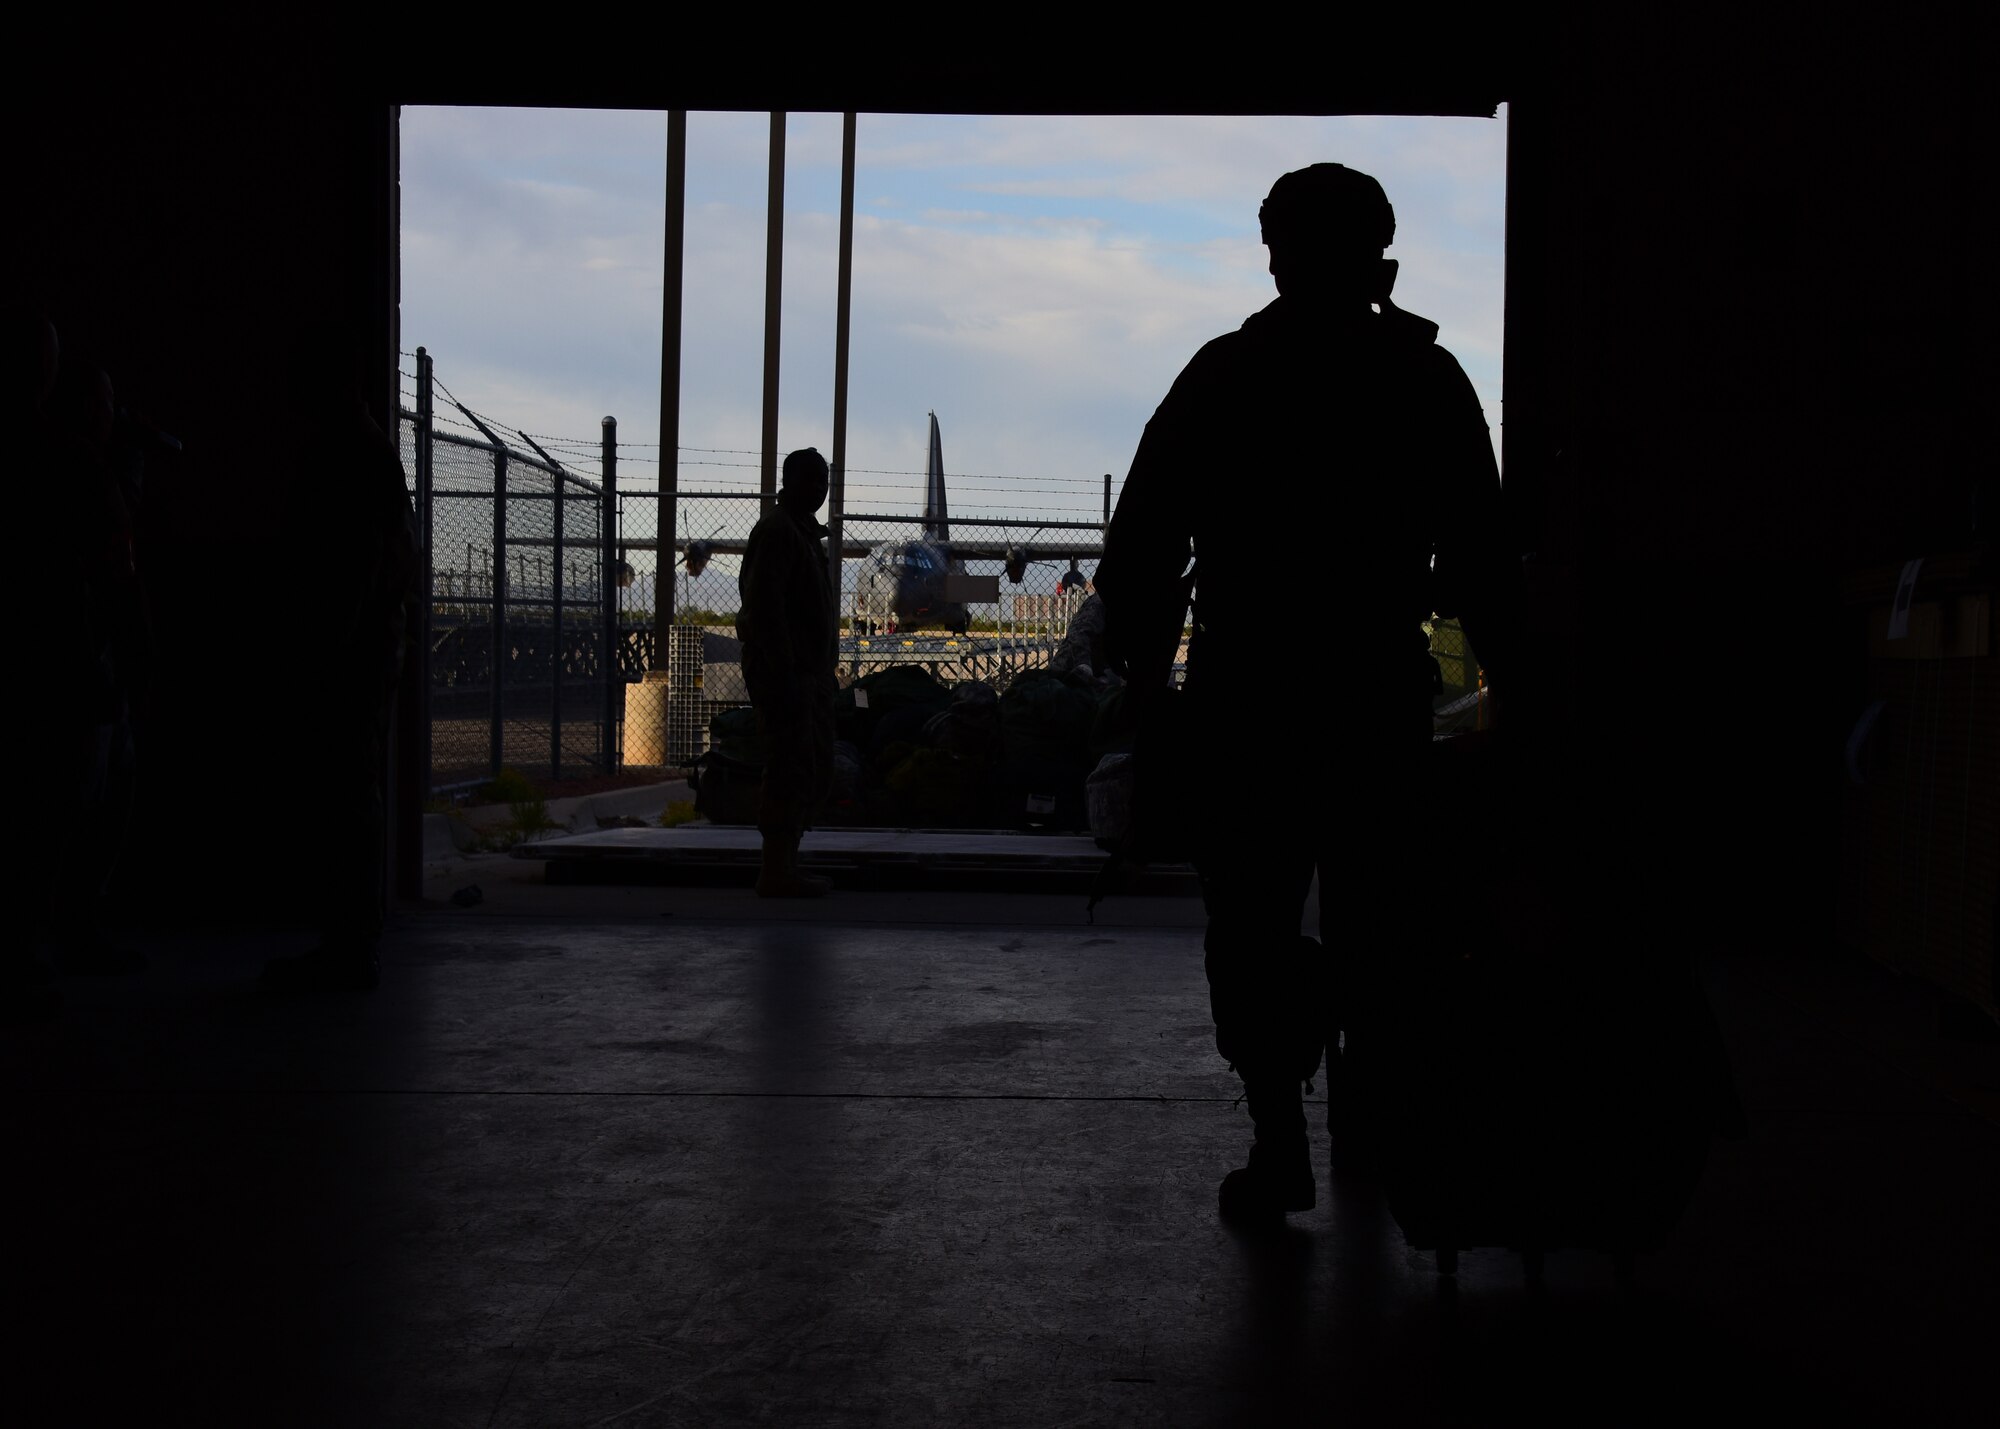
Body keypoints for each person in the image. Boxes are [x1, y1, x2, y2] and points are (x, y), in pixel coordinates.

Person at [1095, 163, 1518, 1223]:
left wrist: (1144, 685)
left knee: (1249, 927)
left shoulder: (1225, 375)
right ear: (1378, 253)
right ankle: (1367, 1127)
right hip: (1373, 700)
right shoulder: (1424, 381)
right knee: (1385, 927)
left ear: (1275, 253)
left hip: (1248, 704)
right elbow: (1482, 565)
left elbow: (1141, 551)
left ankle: (1278, 1141)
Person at [263, 327, 421, 992]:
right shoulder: (367, 455)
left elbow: (344, 576)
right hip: (360, 652)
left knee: (345, 797)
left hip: (345, 656)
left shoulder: (346, 459)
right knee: (351, 795)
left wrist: (322, 653)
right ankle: (349, 938)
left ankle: (348, 942)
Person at [738, 447, 838, 898]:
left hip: (807, 673)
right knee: (787, 765)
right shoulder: (779, 531)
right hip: (787, 675)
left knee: (807, 764)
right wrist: (787, 674)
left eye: (824, 482)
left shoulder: (801, 533)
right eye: (811, 480)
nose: (819, 489)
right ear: (789, 481)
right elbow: (765, 609)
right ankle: (775, 869)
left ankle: (787, 862)